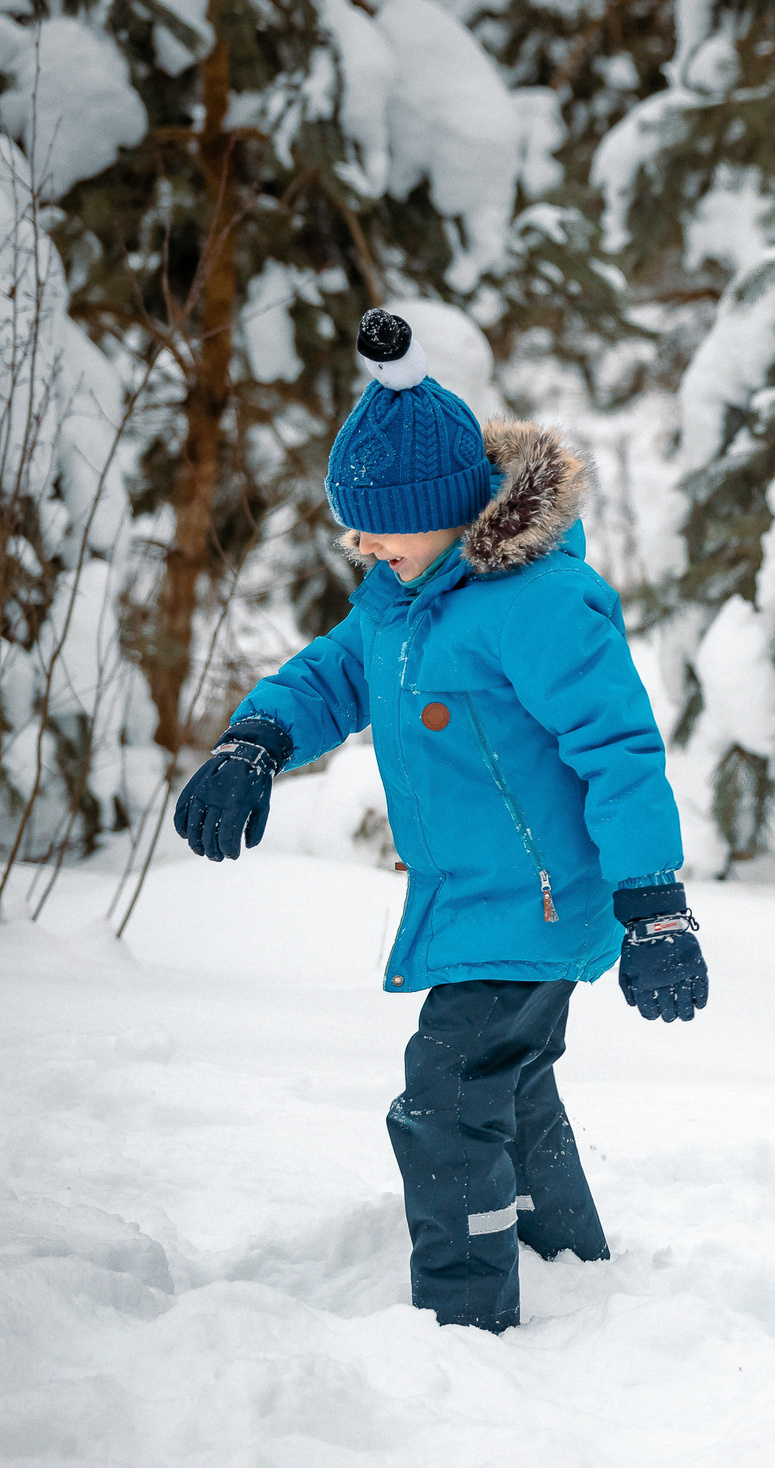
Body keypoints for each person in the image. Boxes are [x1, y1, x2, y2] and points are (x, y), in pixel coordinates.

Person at [169, 308, 707, 1334]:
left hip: (536, 903)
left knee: (448, 1099)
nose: (360, 542)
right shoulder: (399, 595)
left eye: (378, 523)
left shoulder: (539, 605)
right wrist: (258, 739)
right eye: (352, 524)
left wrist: (656, 910)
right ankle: (571, 1271)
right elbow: (333, 673)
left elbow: (621, 752)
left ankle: (466, 1325)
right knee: (512, 1085)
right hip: (477, 900)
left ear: (449, 510)